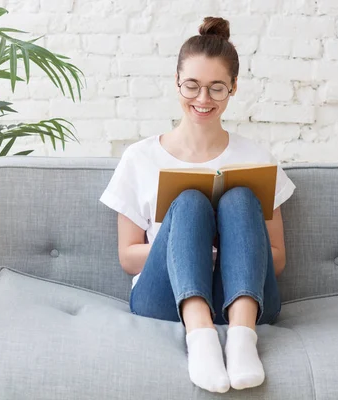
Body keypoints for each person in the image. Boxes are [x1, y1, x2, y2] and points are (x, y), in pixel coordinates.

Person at [100, 16, 297, 394]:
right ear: (177, 83)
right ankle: (201, 337)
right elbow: (128, 256)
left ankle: (242, 339)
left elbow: (278, 256)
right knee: (189, 201)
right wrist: (187, 246)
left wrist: (230, 252)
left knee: (239, 196)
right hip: (164, 296)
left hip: (245, 297)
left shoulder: (256, 157)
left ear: (233, 89)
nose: (202, 99)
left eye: (216, 88)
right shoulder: (139, 157)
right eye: (192, 86)